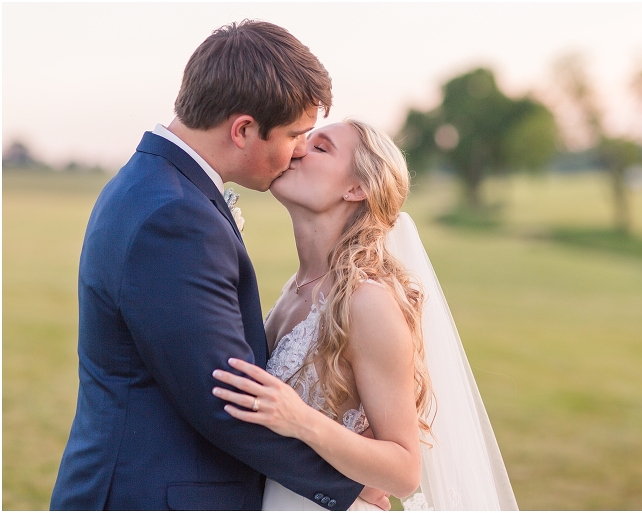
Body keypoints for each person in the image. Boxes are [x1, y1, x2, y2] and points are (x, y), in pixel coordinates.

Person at [50, 21, 389, 511]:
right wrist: (346, 487)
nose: (298, 150)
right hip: (151, 494)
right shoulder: (176, 216)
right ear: (244, 129)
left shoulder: (156, 184)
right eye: (296, 134)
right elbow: (225, 398)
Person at [212, 119, 519, 510]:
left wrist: (299, 419)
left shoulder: (366, 302)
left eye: (321, 148)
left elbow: (404, 470)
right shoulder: (296, 288)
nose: (300, 149)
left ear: (356, 188)